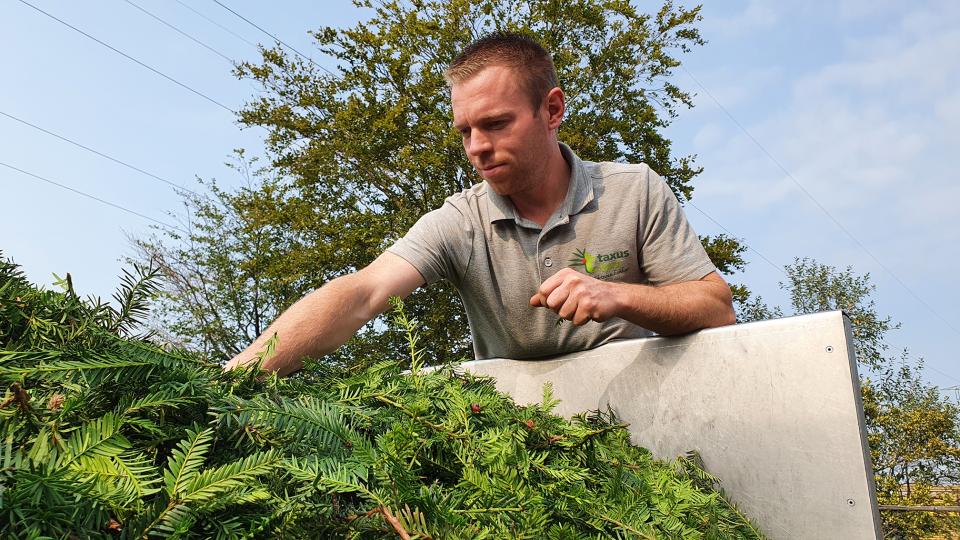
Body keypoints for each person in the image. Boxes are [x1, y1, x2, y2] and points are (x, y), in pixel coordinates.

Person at [225, 32, 735, 376]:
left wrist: (620, 296)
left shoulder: (636, 190)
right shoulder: (459, 222)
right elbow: (363, 293)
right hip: (514, 445)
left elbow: (716, 308)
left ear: (551, 109)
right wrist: (235, 378)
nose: (476, 147)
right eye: (465, 130)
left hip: (644, 433)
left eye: (494, 124)